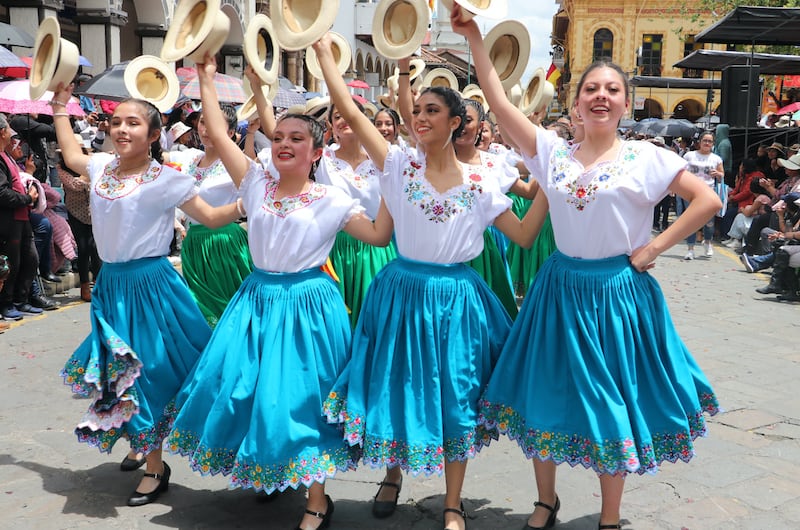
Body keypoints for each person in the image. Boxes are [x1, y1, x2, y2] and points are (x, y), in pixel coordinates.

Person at [452, 8, 721, 530]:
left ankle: (611, 516)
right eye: (591, 89)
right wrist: (474, 40)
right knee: (544, 393)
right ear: (576, 101)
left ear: (625, 102)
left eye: (611, 90)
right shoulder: (552, 152)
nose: (600, 96)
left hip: (617, 295)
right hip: (558, 290)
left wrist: (653, 249)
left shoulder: (647, 156)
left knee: (610, 400)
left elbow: (707, 201)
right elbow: (501, 102)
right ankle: (545, 501)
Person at [313, 34, 544, 530]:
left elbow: (524, 236)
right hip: (399, 295)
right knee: (397, 385)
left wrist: (550, 177)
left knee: (456, 395)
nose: (419, 117)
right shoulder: (397, 165)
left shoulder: (482, 183)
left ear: (455, 122)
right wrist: (324, 59)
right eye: (415, 109)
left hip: (457, 301)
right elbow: (352, 115)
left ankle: (453, 501)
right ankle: (391, 476)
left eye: (431, 110)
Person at [166, 54, 393, 530]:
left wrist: (396, 183)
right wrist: (206, 79)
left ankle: (316, 499)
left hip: (309, 306)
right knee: (247, 391)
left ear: (317, 152)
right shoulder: (254, 184)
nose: (284, 145)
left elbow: (376, 236)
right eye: (279, 139)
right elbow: (219, 133)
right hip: (255, 302)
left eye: (297, 139)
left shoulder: (333, 198)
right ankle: (271, 469)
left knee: (303, 399)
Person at [51, 84, 244, 507]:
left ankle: (172, 457)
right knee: (122, 375)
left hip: (153, 287)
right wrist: (60, 108)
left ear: (154, 134)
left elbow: (211, 217)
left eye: (133, 123)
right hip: (112, 286)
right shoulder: (101, 166)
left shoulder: (168, 180)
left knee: (151, 372)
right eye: (116, 122)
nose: (121, 129)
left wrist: (255, 201)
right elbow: (70, 155)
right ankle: (149, 454)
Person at [165, 104, 253, 326]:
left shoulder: (236, 165)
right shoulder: (190, 159)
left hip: (224, 242)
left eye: (214, 124)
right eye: (203, 122)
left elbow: (258, 192)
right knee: (199, 308)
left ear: (231, 133)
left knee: (227, 306)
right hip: (194, 243)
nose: (206, 129)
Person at [0, 116, 40, 321]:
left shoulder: (7, 156)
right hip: (9, 220)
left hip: (22, 217)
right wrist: (27, 197)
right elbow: (2, 193)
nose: (11, 135)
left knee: (30, 259)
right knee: (11, 263)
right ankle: (6, 303)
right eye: (8, 130)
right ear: (2, 133)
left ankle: (21, 299)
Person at [58, 138, 101, 302]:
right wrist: (86, 177)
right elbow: (74, 184)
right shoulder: (61, 168)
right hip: (75, 212)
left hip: (93, 211)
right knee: (83, 249)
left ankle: (99, 284)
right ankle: (84, 286)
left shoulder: (90, 164)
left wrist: (87, 177)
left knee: (95, 247)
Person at [679, 131, 724, 259]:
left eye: (710, 141)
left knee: (709, 222)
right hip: (691, 192)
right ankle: (690, 249)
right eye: (705, 140)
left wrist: (718, 174)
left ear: (713, 144)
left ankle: (708, 241)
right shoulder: (689, 156)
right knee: (691, 221)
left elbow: (722, 174)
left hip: (708, 192)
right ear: (699, 142)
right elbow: (680, 171)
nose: (707, 143)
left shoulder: (716, 158)